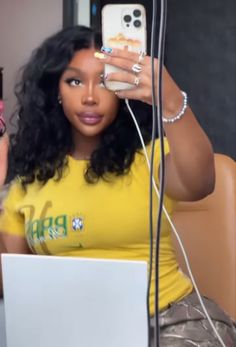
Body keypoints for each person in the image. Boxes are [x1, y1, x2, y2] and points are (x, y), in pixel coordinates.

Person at [0, 26, 235, 346]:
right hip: (73, 329)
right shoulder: (26, 183)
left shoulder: (149, 159)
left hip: (169, 322)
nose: (89, 97)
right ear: (55, 90)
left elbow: (201, 183)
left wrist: (169, 100)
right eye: (74, 81)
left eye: (105, 81)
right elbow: (17, 285)